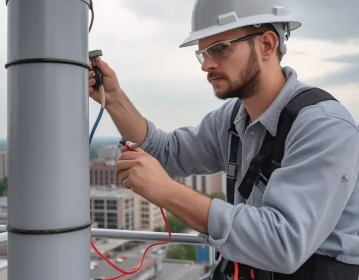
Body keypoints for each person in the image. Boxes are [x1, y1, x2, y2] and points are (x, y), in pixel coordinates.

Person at [88, 0, 359, 279]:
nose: (206, 64)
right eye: (203, 52)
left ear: (267, 44)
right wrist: (114, 98)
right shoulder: (233, 118)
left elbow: (283, 244)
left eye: (221, 48)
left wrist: (166, 191)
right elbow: (166, 152)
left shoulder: (324, 127)